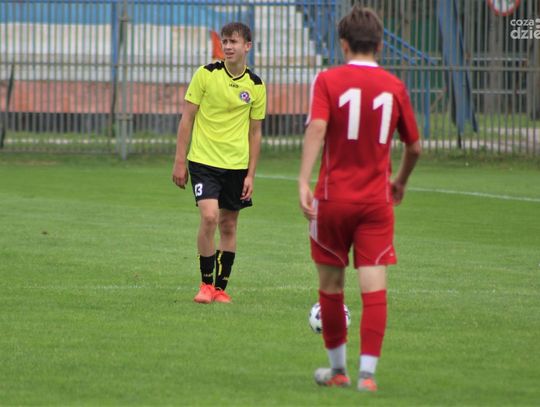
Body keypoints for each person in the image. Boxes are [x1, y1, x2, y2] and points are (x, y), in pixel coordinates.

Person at [298, 5, 421, 392]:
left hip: (332, 200)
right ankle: (367, 375)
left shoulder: (328, 80)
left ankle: (338, 371)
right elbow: (415, 146)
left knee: (331, 287)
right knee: (374, 289)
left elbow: (317, 128)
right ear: (380, 45)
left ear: (343, 44)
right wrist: (400, 182)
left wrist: (303, 180)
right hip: (375, 203)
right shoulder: (394, 86)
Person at [172, 22, 266, 304]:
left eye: (233, 42)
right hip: (203, 161)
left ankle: (220, 289)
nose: (227, 46)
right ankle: (205, 284)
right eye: (225, 41)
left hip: (236, 165)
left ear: (247, 46)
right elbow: (187, 119)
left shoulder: (256, 85)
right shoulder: (205, 74)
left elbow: (255, 133)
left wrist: (251, 174)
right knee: (210, 216)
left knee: (229, 225)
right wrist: (179, 161)